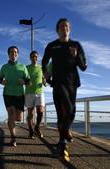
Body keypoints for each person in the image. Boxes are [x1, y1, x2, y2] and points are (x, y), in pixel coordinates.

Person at [42, 18, 87, 162]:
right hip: (58, 83)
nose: (64, 28)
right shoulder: (52, 46)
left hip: (72, 83)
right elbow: (44, 61)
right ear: (57, 30)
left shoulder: (76, 45)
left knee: (71, 112)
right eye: (61, 26)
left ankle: (65, 132)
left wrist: (76, 57)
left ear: (70, 29)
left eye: (67, 26)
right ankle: (62, 143)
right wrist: (45, 74)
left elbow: (84, 66)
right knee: (64, 111)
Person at [0, 46, 30, 147]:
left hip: (20, 94)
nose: (13, 54)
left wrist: (24, 81)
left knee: (18, 118)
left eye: (15, 52)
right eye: (11, 52)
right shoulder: (4, 67)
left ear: (18, 54)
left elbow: (28, 80)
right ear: (8, 54)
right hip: (8, 93)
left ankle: (13, 127)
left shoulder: (22, 67)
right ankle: (13, 137)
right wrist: (2, 82)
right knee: (11, 114)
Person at [25, 51, 45, 139]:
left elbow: (44, 78)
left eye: (36, 56)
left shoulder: (41, 68)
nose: (34, 58)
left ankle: (37, 127)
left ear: (38, 58)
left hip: (39, 92)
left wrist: (44, 81)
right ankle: (30, 130)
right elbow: (23, 78)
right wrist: (26, 82)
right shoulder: (26, 68)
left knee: (40, 112)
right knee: (30, 114)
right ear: (30, 58)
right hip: (29, 93)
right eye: (32, 57)